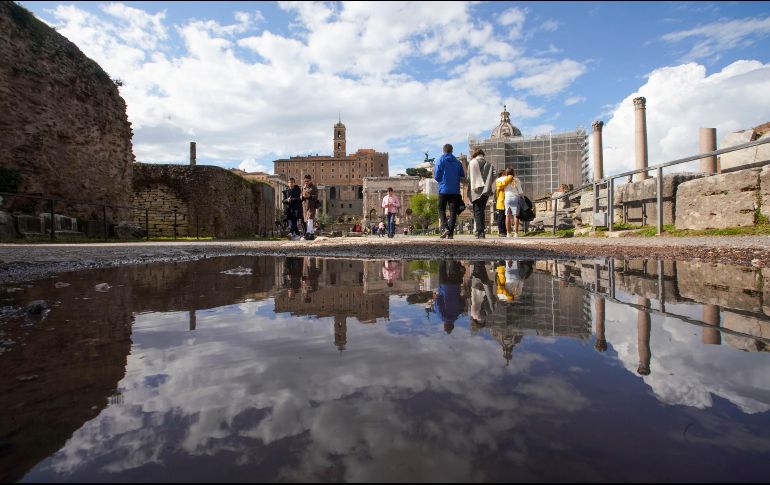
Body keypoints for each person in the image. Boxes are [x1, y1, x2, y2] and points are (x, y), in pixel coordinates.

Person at [434, 143, 465, 239]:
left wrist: (442, 181)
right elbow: (462, 175)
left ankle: (445, 227)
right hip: (455, 190)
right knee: (453, 211)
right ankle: (450, 234)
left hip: (443, 189)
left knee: (441, 208)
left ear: (443, 151)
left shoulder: (440, 160)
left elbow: (437, 176)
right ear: (452, 150)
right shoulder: (458, 162)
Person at [467, 148, 495, 239]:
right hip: (486, 190)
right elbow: (494, 175)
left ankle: (480, 231)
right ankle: (481, 231)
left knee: (477, 210)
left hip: (475, 190)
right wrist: (488, 183)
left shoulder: (471, 163)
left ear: (475, 154)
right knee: (482, 210)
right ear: (482, 154)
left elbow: (468, 178)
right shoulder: (489, 164)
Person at [433, 260, 465, 333]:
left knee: (452, 272)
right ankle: (442, 257)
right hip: (444, 286)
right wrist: (437, 296)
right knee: (442, 269)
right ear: (444, 325)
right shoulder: (442, 316)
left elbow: (462, 302)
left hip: (455, 286)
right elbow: (438, 302)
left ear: (453, 324)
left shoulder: (457, 314)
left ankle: (452, 258)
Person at [497, 169, 524, 237]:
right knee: (516, 215)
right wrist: (522, 197)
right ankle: (516, 233)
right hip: (515, 197)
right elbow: (520, 191)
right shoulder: (516, 180)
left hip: (507, 198)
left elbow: (498, 181)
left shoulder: (503, 179)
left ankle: (508, 233)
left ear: (506, 173)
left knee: (507, 215)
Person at [300, 174, 318, 240]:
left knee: (310, 218)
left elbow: (316, 197)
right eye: (305, 181)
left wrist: (309, 196)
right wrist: (302, 196)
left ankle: (308, 233)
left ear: (310, 180)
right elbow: (301, 195)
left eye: (307, 181)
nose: (306, 182)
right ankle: (312, 234)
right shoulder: (303, 187)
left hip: (312, 205)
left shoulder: (314, 187)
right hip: (305, 205)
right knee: (307, 219)